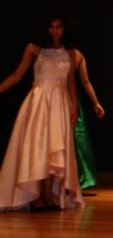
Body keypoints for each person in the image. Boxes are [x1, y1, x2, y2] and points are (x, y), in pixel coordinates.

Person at [0, 17, 85, 211]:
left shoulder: (70, 53)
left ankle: (47, 194)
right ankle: (35, 195)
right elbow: (16, 75)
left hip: (60, 104)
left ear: (65, 29)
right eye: (52, 27)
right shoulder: (34, 49)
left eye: (59, 27)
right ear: (46, 29)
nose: (55, 31)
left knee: (54, 149)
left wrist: (74, 106)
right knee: (38, 146)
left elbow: (71, 83)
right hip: (39, 103)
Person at [70, 49, 105, 191]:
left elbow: (85, 80)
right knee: (76, 140)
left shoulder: (76, 55)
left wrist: (95, 102)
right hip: (66, 98)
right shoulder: (76, 54)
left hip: (67, 99)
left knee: (77, 138)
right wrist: (95, 103)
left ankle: (78, 178)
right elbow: (85, 81)